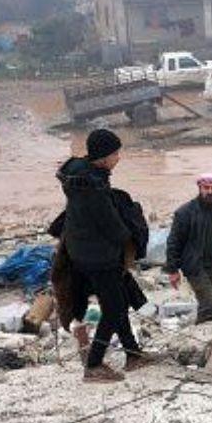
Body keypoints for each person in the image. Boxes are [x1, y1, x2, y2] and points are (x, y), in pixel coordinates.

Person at [57, 129, 156, 383]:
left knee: (119, 301)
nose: (118, 158)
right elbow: (113, 227)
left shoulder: (81, 179)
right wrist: (132, 237)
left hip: (82, 252)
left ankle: (133, 354)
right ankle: (94, 365)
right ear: (102, 157)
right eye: (115, 153)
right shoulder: (93, 187)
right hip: (99, 258)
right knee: (113, 309)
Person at [164, 173, 212, 323]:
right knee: (209, 306)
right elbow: (174, 242)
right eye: (206, 188)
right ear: (199, 188)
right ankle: (202, 340)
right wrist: (172, 270)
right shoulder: (185, 213)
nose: (210, 192)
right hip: (195, 266)